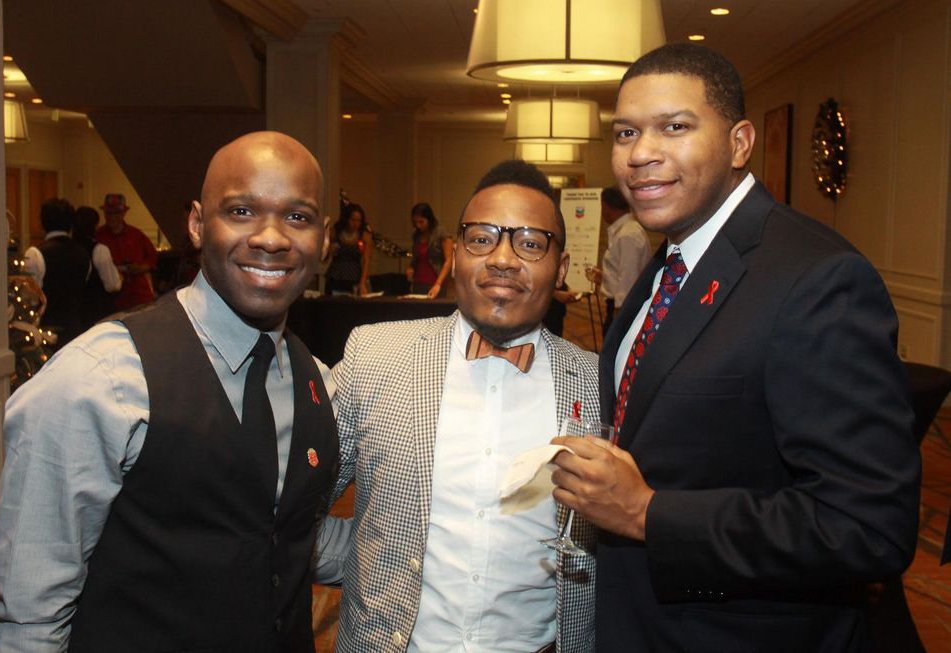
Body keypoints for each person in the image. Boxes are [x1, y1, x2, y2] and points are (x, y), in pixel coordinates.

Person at [549, 42, 921, 652]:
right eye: (625, 133)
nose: (641, 154)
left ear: (740, 143)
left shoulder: (816, 278)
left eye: (675, 127)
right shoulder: (673, 260)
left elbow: (866, 525)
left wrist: (647, 514)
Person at [0, 131, 338, 652]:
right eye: (241, 211)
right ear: (197, 224)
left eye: (298, 217)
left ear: (325, 239)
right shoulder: (99, 378)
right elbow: (30, 615)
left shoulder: (314, 379)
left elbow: (284, 535)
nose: (270, 237)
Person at [318, 159, 598, 653]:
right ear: (458, 254)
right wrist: (367, 561)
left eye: (530, 243)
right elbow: (294, 505)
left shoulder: (601, 387)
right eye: (482, 238)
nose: (503, 259)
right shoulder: (375, 356)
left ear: (562, 268)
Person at [21, 197, 90, 348]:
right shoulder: (83, 253)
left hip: (46, 333)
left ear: (42, 223)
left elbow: (30, 299)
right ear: (71, 224)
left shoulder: (35, 254)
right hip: (77, 330)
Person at [585, 187, 651, 333]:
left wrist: (619, 319)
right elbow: (623, 273)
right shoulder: (626, 230)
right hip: (620, 308)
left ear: (606, 207)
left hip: (621, 310)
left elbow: (628, 280)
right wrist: (603, 277)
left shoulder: (628, 235)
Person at [95, 192, 158, 310]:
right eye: (109, 213)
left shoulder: (136, 235)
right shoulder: (98, 236)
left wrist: (141, 268)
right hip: (111, 301)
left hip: (138, 297)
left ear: (124, 213)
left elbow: (152, 257)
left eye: (116, 213)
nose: (112, 217)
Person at [72, 205, 122, 331]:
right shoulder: (99, 250)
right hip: (96, 313)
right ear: (94, 226)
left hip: (74, 312)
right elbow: (112, 285)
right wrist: (120, 278)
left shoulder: (68, 248)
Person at [405, 201, 453, 298]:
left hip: (435, 282)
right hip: (418, 283)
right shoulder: (416, 235)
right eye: (415, 222)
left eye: (421, 222)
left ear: (429, 219)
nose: (418, 225)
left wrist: (438, 284)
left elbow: (449, 260)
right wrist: (410, 268)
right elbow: (415, 258)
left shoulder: (441, 233)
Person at [325, 202, 373, 296]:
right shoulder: (334, 233)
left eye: (358, 220)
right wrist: (329, 249)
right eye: (353, 220)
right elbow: (323, 258)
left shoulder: (364, 236)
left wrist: (362, 283)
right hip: (335, 276)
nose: (356, 224)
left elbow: (366, 261)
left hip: (354, 277)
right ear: (346, 219)